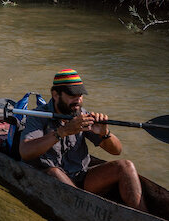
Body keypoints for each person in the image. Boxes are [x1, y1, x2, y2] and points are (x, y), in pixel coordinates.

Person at [18, 69, 146, 211]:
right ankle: (82, 211)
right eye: (72, 95)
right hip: (49, 181)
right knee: (54, 172)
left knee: (125, 166)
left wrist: (104, 133)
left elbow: (117, 151)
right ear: (55, 94)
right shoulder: (38, 116)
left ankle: (144, 216)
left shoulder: (82, 116)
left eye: (80, 95)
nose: (78, 100)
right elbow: (25, 152)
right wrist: (63, 131)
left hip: (81, 178)